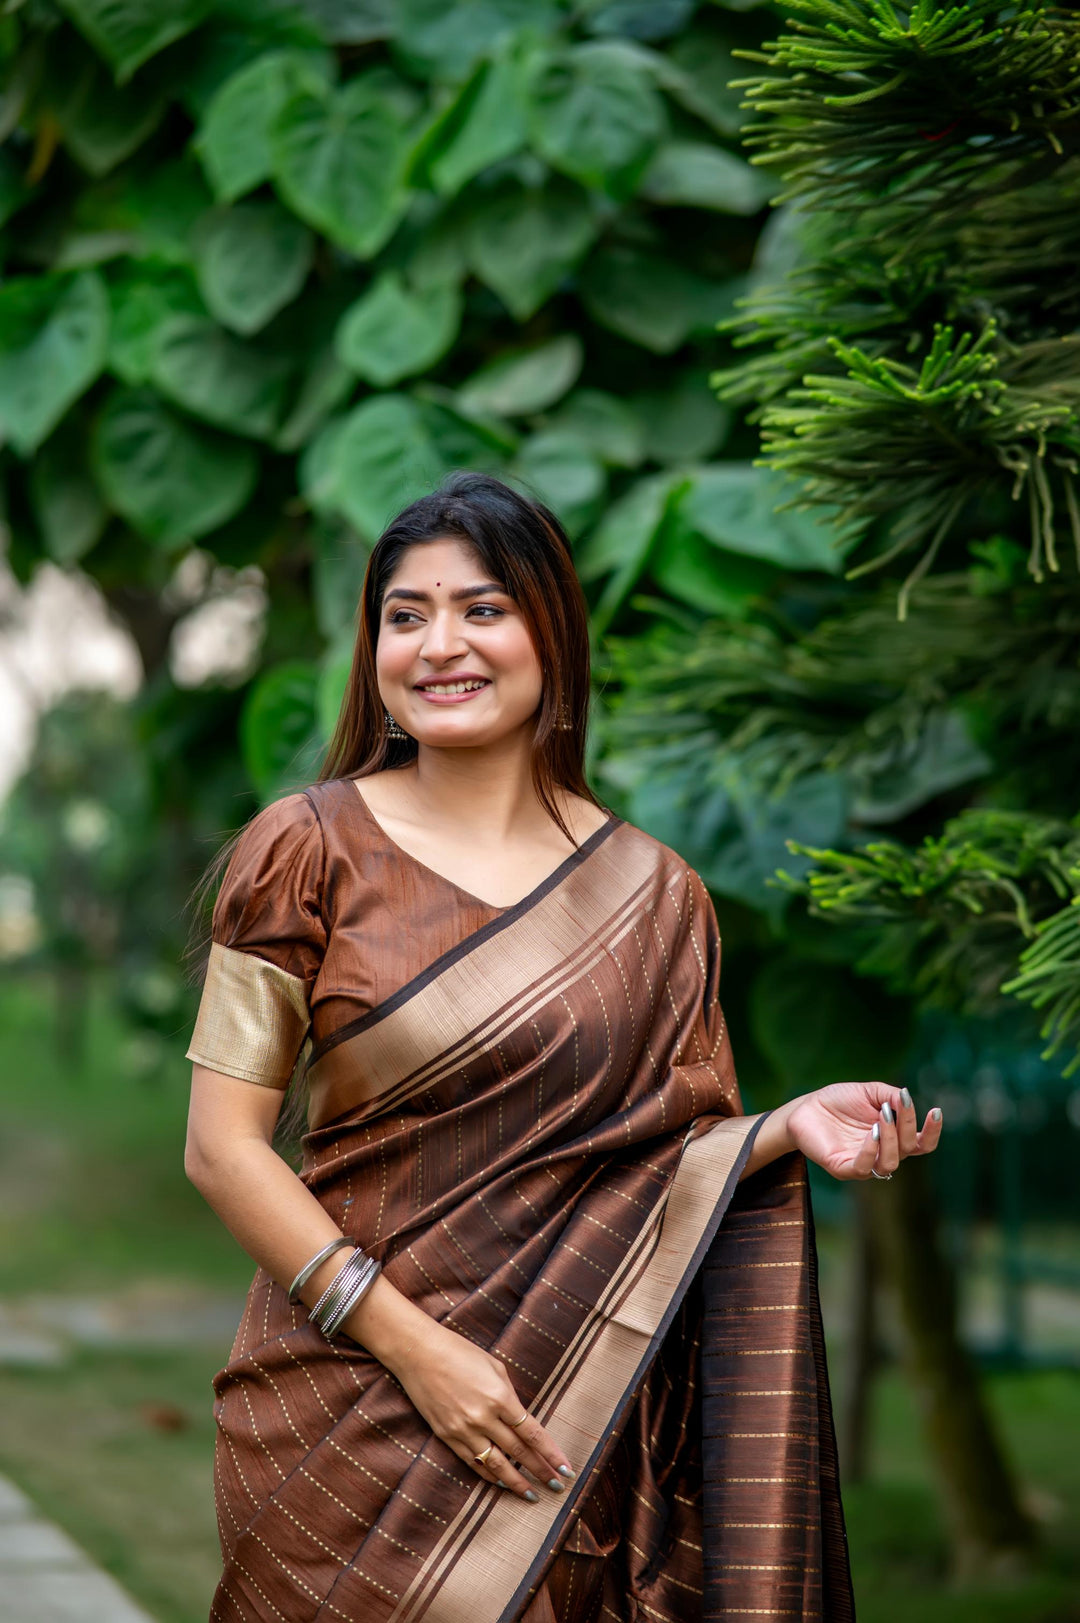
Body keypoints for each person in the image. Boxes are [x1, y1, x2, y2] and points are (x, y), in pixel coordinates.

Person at [184, 470, 942, 1623]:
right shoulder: (303, 850)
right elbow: (223, 1150)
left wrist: (779, 1132)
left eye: (483, 608)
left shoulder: (656, 896)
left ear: (554, 635)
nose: (440, 643)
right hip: (341, 1406)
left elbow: (665, 1168)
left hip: (569, 1410)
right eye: (406, 614)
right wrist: (419, 1351)